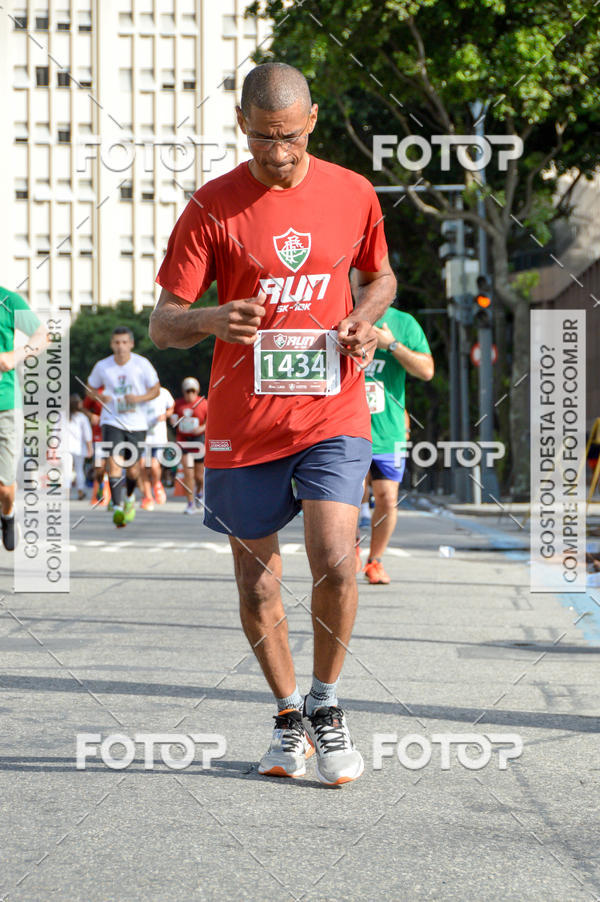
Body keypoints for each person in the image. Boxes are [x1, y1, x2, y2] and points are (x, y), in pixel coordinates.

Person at [150, 62, 396, 785]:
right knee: (258, 586)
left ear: (312, 119)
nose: (278, 154)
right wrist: (211, 318)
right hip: (242, 425)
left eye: (289, 137)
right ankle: (289, 718)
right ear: (241, 124)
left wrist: (363, 317)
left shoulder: (353, 193)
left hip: (332, 410)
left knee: (336, 556)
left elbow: (380, 277)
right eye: (263, 139)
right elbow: (162, 324)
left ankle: (327, 702)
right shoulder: (211, 207)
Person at [362, 308, 434, 584]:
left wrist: (391, 345)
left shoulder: (404, 322)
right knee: (352, 495)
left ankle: (374, 561)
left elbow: (427, 371)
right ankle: (349, 548)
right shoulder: (339, 311)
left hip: (387, 432)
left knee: (387, 498)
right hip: (343, 428)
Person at [86, 327, 160, 528]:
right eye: (116, 342)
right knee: (114, 461)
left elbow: (156, 389)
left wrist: (139, 398)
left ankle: (128, 497)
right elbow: (89, 387)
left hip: (137, 422)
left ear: (131, 344)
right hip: (111, 420)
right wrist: (99, 396)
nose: (120, 347)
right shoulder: (103, 366)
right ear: (112, 344)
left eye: (124, 342)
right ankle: (118, 507)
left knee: (134, 469)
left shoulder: (141, 364)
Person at [0, 286, 48, 551]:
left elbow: (42, 335)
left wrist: (14, 356)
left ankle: (7, 514)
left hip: (5, 406)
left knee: (5, 488)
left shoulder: (8, 300)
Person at [170, 377, 207, 514]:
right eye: (187, 391)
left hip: (199, 440)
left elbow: (210, 421)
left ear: (196, 391)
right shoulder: (178, 404)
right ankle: (190, 503)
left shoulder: (203, 403)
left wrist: (202, 428)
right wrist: (174, 421)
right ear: (183, 391)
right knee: (188, 473)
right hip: (184, 440)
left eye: (192, 391)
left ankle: (200, 492)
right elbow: (172, 419)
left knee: (199, 475)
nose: (190, 394)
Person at [141, 385, 175, 509]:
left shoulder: (163, 393)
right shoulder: (139, 392)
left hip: (158, 437)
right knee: (142, 466)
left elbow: (172, 406)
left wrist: (165, 415)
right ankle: (148, 497)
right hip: (143, 436)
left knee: (154, 465)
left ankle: (156, 484)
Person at [82, 393, 109, 506]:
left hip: (118, 430)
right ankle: (98, 493)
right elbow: (83, 408)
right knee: (99, 465)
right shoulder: (96, 390)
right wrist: (91, 415)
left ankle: (110, 495)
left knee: (114, 465)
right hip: (99, 433)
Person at [67, 394, 93, 499]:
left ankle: (67, 492)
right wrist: (90, 448)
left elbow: (56, 433)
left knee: (67, 470)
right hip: (78, 447)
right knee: (79, 469)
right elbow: (87, 434)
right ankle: (80, 491)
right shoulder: (82, 418)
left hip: (65, 447)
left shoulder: (63, 416)